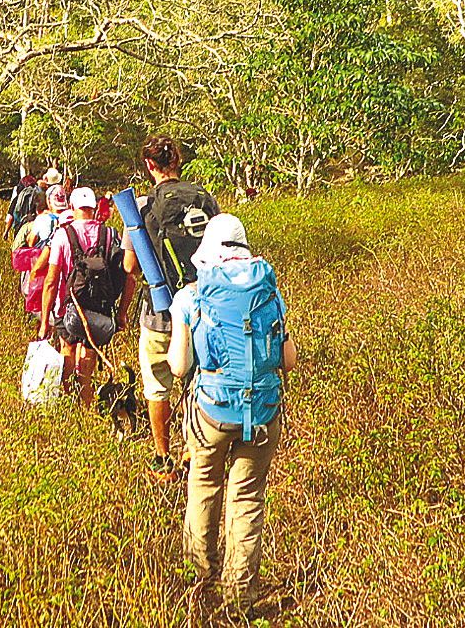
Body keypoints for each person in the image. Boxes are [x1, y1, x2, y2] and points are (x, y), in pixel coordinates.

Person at [169, 212, 296, 615]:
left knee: (203, 486)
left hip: (212, 411)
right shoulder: (269, 292)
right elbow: (289, 360)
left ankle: (198, 580)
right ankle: (238, 597)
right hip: (262, 411)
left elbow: (178, 366)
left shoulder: (190, 296)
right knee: (247, 499)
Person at [117, 135, 218, 481]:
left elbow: (130, 266)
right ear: (178, 161)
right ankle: (192, 447)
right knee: (196, 377)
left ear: (149, 165)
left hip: (159, 312)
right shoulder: (205, 199)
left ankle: (162, 458)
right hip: (203, 308)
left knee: (157, 386)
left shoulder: (141, 207)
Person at [36, 186, 126, 406]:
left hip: (67, 306)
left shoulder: (62, 236)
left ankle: (70, 402)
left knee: (67, 349)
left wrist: (45, 321)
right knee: (88, 354)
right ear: (94, 208)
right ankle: (86, 404)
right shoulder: (110, 234)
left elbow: (51, 281)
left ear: (72, 207)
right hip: (99, 308)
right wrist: (121, 313)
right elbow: (126, 275)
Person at [4, 173, 42, 242]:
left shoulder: (17, 199)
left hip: (19, 231)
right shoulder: (39, 198)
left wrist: (6, 231)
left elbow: (10, 217)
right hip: (34, 231)